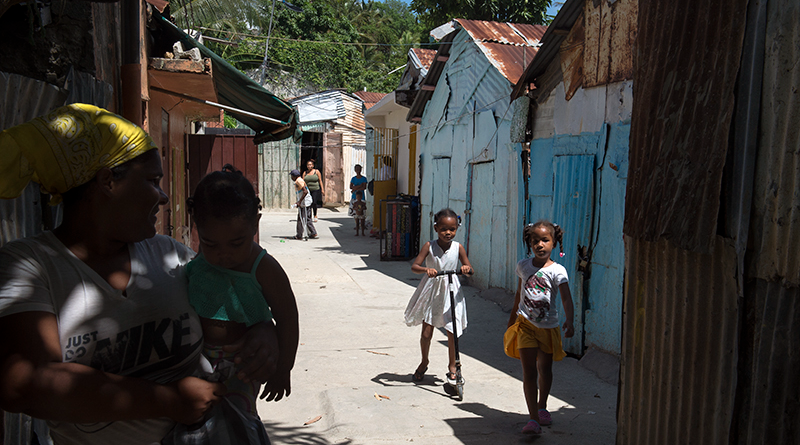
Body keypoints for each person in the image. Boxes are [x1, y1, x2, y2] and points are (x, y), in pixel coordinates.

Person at [0, 104, 279, 445]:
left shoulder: (168, 253)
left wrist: (263, 329)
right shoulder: (30, 266)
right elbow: (22, 383)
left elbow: (232, 303)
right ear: (108, 182)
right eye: (152, 180)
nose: (162, 197)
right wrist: (167, 400)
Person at [186, 164, 299, 416]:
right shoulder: (199, 261)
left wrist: (283, 369)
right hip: (195, 360)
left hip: (243, 363)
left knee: (237, 420)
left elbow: (287, 316)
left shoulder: (263, 268)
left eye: (236, 243)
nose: (223, 254)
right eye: (209, 243)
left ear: (255, 225)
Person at [504, 220, 575, 435]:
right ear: (529, 243)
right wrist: (511, 320)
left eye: (545, 240)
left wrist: (570, 321)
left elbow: (566, 299)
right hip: (525, 325)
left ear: (554, 243)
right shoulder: (523, 266)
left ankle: (542, 406)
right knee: (528, 373)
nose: (540, 245)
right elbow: (519, 295)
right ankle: (533, 418)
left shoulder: (558, 271)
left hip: (548, 328)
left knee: (545, 369)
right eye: (535, 241)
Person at [404, 208, 473, 388]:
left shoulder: (458, 248)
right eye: (443, 229)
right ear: (436, 228)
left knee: (452, 330)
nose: (447, 233)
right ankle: (424, 361)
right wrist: (427, 270)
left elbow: (469, 267)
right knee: (427, 332)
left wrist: (466, 269)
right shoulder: (429, 246)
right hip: (433, 290)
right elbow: (415, 266)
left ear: (457, 228)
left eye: (452, 229)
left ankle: (453, 366)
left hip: (451, 289)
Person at [290, 169, 316, 240]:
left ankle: (299, 235)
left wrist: (299, 202)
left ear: (295, 176)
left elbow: (305, 191)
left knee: (300, 218)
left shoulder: (299, 181)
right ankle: (313, 232)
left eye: (292, 176)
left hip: (305, 202)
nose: (291, 178)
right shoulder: (299, 180)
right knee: (307, 218)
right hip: (307, 201)